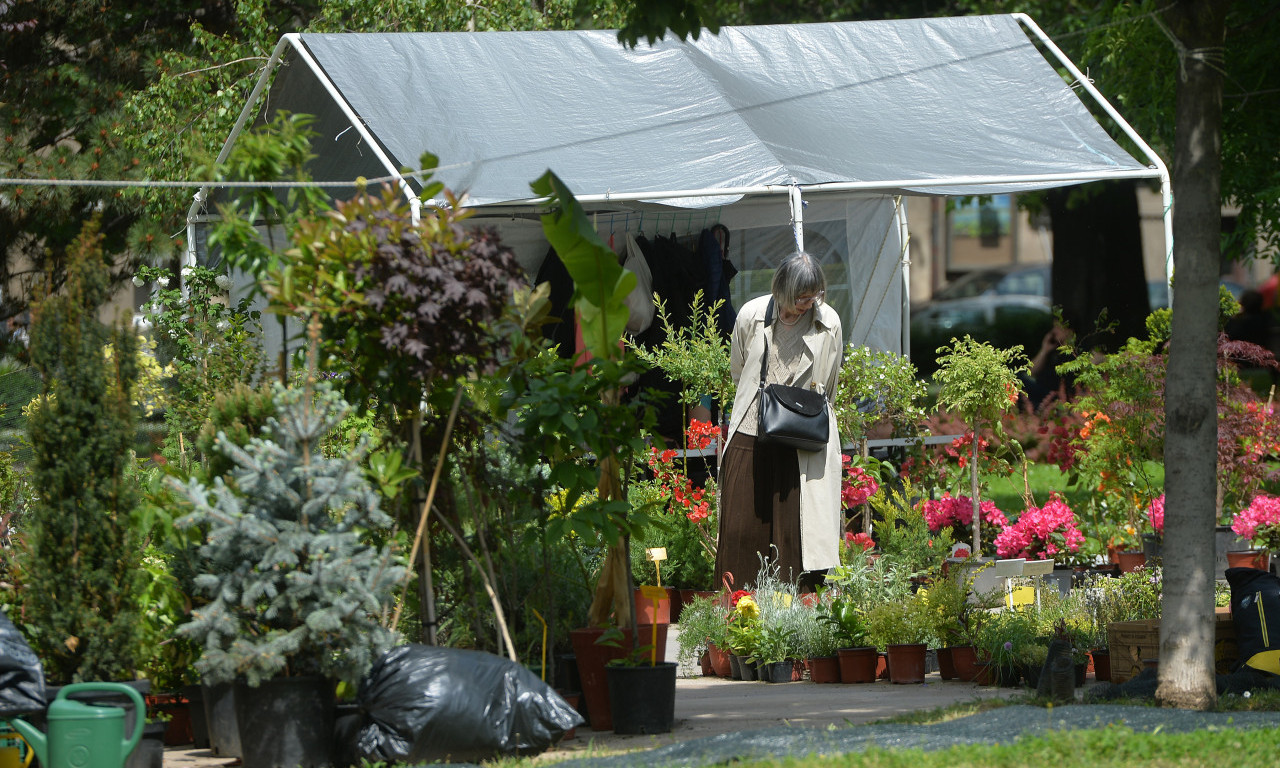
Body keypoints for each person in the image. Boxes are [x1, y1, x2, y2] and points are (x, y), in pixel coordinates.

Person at [715, 251, 843, 592]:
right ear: (781, 289)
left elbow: (829, 383)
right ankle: (739, 611)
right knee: (742, 530)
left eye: (812, 296)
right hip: (750, 429)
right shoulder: (751, 316)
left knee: (798, 536)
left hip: (802, 437)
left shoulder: (828, 322)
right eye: (799, 297)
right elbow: (739, 371)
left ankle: (799, 615)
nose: (805, 304)